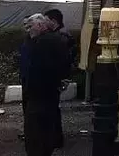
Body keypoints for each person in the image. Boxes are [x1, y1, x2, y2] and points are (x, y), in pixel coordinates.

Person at [21, 13, 69, 156]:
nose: (29, 30)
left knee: (35, 132)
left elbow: (37, 67)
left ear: (40, 25)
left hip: (39, 93)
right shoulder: (55, 40)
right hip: (49, 92)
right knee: (45, 130)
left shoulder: (42, 43)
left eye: (30, 26)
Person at [43, 9, 75, 150]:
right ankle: (54, 137)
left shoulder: (61, 36)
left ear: (53, 21)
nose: (44, 23)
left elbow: (62, 59)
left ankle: (55, 138)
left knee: (52, 108)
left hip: (57, 78)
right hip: (59, 77)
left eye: (46, 20)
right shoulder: (62, 35)